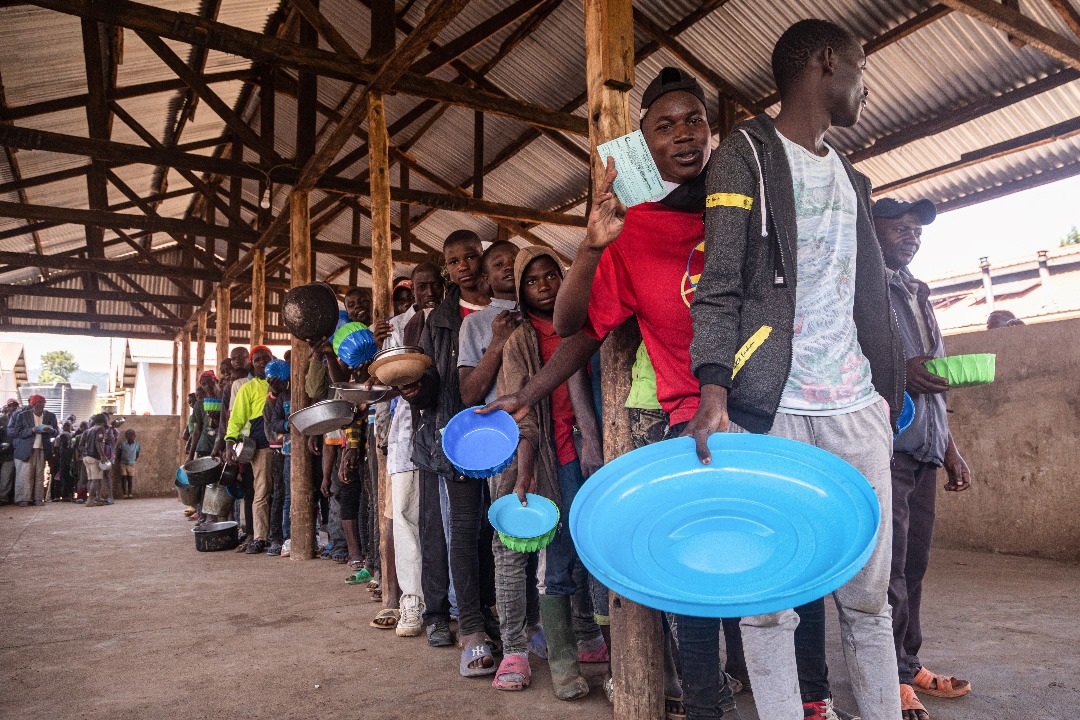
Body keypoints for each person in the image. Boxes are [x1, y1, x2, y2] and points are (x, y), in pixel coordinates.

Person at [683, 19, 905, 720]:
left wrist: (886, 397)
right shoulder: (743, 155)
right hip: (771, 410)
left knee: (869, 601)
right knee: (770, 605)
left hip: (857, 411)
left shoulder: (852, 176)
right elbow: (718, 284)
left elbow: (868, 295)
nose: (865, 88)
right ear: (829, 64)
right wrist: (714, 388)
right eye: (862, 68)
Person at [873, 196, 973, 720]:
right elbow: (838, 359)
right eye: (901, 227)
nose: (912, 235)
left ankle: (907, 664)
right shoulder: (862, 287)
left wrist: (950, 448)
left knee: (914, 565)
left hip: (923, 450)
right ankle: (889, 675)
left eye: (917, 230)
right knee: (888, 569)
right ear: (873, 229)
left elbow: (934, 383)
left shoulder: (918, 292)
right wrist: (892, 374)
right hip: (885, 447)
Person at [492, 246, 606, 698]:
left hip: (594, 452)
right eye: (532, 280)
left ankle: (601, 645)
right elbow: (520, 411)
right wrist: (525, 472)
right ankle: (562, 663)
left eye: (551, 275)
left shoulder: (589, 323)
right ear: (521, 292)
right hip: (554, 457)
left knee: (598, 554)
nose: (544, 286)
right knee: (557, 560)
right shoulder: (521, 341)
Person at [401, 230, 491, 651]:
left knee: (495, 529)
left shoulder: (507, 305)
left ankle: (494, 613)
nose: (464, 266)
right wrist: (417, 389)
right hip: (451, 433)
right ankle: (451, 617)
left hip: (503, 433)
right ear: (447, 268)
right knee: (452, 529)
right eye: (454, 261)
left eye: (471, 257)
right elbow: (430, 376)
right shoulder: (436, 320)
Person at [376, 262, 445, 636]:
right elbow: (386, 379)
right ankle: (411, 603)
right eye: (422, 287)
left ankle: (445, 603)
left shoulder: (455, 318)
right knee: (404, 515)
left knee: (442, 520)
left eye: (435, 285)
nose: (429, 292)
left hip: (446, 428)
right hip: (406, 432)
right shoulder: (398, 327)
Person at [224, 346, 275, 554]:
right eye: (258, 360)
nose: (262, 362)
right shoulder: (247, 388)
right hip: (262, 446)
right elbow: (236, 419)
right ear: (251, 364)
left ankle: (280, 534)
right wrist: (229, 443)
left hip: (287, 446)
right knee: (261, 492)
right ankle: (261, 536)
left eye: (266, 358)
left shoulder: (284, 382)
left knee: (283, 493)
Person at [8, 394, 60, 506]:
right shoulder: (22, 416)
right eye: (39, 403)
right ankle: (23, 499)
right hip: (26, 449)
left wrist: (51, 431)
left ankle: (37, 498)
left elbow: (56, 431)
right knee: (25, 474)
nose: (41, 406)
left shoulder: (50, 416)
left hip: (42, 448)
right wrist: (32, 430)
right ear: (33, 404)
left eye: (43, 403)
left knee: (39, 475)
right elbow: (18, 432)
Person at [263, 358, 291, 556]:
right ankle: (279, 536)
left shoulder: (291, 394)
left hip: (295, 449)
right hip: (280, 449)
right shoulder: (275, 399)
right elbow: (273, 423)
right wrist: (289, 425)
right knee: (281, 494)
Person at [81, 413, 118, 507]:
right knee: (96, 479)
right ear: (103, 421)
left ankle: (93, 499)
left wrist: (86, 452)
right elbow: (98, 442)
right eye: (106, 419)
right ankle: (90, 500)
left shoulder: (88, 430)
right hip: (94, 457)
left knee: (90, 479)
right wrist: (102, 456)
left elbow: (80, 445)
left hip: (86, 457)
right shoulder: (100, 429)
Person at [0, 398, 20, 505]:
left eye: (15, 406)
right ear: (7, 407)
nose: (12, 408)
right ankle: (3, 498)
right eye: (10, 406)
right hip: (6, 453)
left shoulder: (21, 418)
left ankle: (14, 498)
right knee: (6, 476)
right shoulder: (2, 419)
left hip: (19, 452)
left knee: (18, 477)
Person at [118, 428, 141, 499]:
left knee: (130, 478)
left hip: (132, 463)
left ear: (135, 436)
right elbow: (119, 453)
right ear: (126, 436)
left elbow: (137, 453)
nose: (131, 436)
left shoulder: (137, 444)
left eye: (132, 435)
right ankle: (125, 493)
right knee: (123, 477)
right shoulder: (122, 444)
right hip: (123, 463)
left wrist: (134, 460)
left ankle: (130, 493)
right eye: (129, 435)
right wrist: (120, 461)